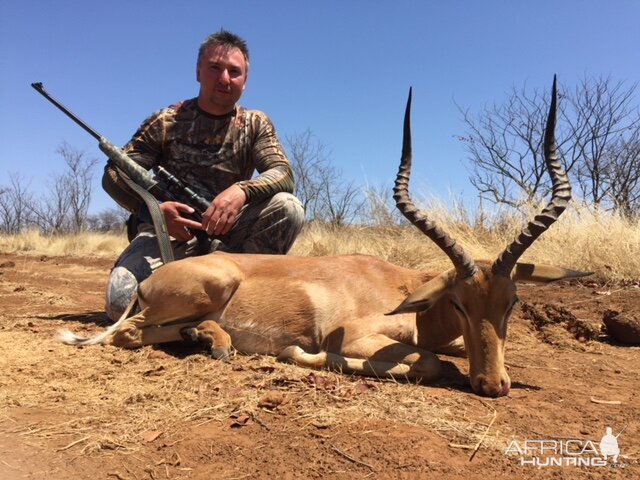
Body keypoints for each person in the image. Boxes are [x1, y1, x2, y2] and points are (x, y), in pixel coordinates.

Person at [102, 29, 305, 320]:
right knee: (120, 302)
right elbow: (114, 174)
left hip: (230, 240)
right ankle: (210, 308)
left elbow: (283, 173)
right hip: (170, 236)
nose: (224, 78)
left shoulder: (255, 123)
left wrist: (242, 190)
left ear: (245, 82)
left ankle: (248, 296)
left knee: (288, 206)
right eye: (215, 68)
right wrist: (155, 213)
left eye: (234, 72)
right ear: (199, 72)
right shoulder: (166, 121)